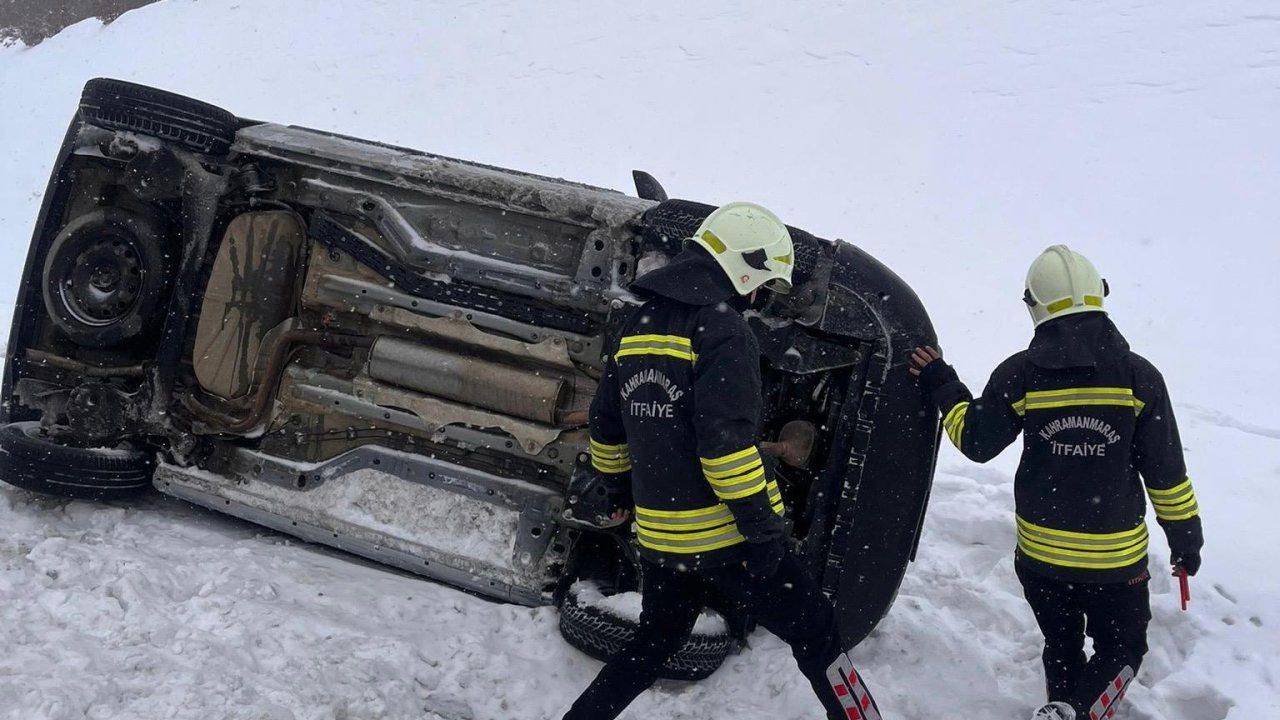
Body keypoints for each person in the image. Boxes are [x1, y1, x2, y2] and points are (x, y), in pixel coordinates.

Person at [561, 202, 882, 720]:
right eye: (763, 283)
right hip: (725, 538)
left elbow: (606, 427)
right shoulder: (723, 330)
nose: (759, 296)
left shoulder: (636, 325)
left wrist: (620, 493)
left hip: (662, 540)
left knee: (654, 643)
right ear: (745, 268)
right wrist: (764, 532)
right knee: (817, 633)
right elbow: (724, 449)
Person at [909, 245, 1204, 720]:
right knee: (1123, 648)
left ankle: (1062, 707)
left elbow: (974, 441)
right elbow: (1166, 475)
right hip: (1114, 561)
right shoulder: (1139, 378)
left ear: (1033, 305)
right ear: (1099, 294)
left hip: (1041, 558)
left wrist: (943, 383)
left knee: (1062, 644)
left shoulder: (1021, 375)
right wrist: (1186, 538)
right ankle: (1080, 713)